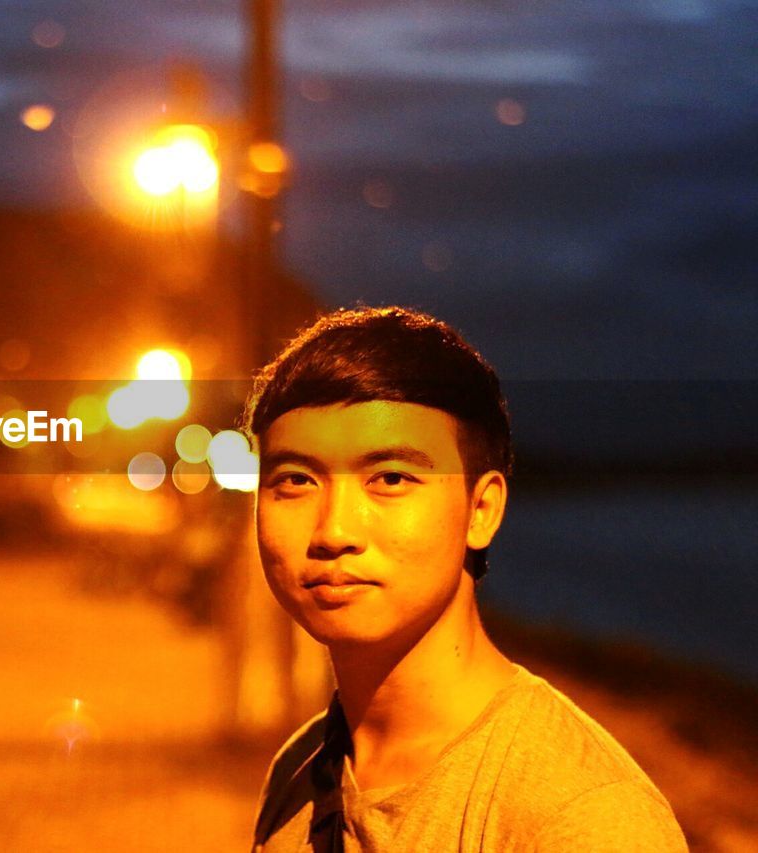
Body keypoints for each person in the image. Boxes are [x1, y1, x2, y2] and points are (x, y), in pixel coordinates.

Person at [243, 306, 687, 852]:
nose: (333, 530)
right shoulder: (302, 768)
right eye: (296, 480)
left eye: (390, 478)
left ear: (481, 510)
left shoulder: (580, 815)